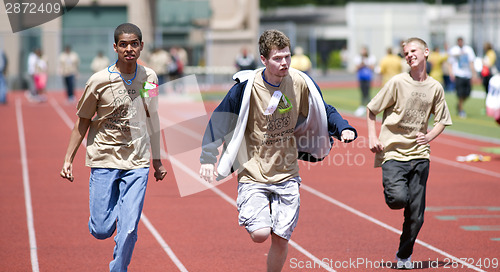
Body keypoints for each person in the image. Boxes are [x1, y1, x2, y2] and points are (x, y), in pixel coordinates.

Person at [199, 29, 357, 272]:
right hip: (253, 173)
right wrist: (208, 158)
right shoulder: (246, 88)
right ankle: (259, 213)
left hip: (287, 173)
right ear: (263, 60)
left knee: (281, 239)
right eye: (277, 58)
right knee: (260, 234)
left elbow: (325, 109)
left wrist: (344, 128)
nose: (284, 63)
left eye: (287, 56)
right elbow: (220, 120)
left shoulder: (300, 82)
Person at [59, 23, 167, 272]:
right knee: (101, 229)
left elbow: (153, 116)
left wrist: (157, 160)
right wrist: (68, 159)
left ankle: (119, 268)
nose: (129, 49)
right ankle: (115, 213)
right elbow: (83, 119)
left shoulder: (149, 77)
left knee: (129, 228)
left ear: (141, 46)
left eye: (134, 44)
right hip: (104, 157)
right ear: (115, 47)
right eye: (123, 44)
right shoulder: (98, 81)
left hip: (137, 160)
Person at [366, 37, 452, 269]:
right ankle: (395, 192)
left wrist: (429, 136)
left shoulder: (435, 87)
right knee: (398, 200)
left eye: (413, 51)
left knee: (417, 215)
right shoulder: (397, 83)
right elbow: (372, 110)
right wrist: (373, 138)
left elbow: (442, 120)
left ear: (425, 52)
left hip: (420, 154)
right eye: (406, 53)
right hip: (392, 151)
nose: (409, 55)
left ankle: (404, 255)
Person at [448, 37, 476, 118]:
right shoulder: (454, 50)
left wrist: (474, 73)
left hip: (467, 74)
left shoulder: (468, 49)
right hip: (458, 74)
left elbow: (471, 61)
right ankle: (461, 110)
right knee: (460, 93)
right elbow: (450, 62)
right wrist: (451, 73)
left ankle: (460, 104)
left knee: (467, 93)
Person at [353, 46, 376, 116]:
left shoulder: (371, 57)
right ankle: (362, 107)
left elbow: (372, 67)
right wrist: (361, 64)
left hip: (368, 77)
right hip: (361, 77)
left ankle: (370, 107)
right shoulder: (358, 58)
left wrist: (366, 64)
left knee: (367, 93)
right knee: (362, 93)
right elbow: (356, 68)